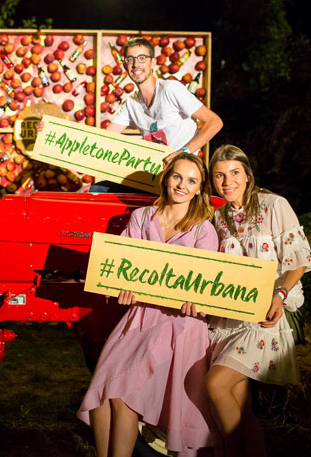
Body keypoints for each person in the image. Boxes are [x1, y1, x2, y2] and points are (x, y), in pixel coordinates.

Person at [77, 153, 219, 457]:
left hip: (178, 322)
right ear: (166, 178)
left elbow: (205, 283)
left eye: (191, 180)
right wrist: (122, 288)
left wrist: (197, 301)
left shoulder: (202, 229)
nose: (182, 185)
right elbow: (122, 265)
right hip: (140, 314)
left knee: (123, 395)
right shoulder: (141, 217)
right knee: (102, 393)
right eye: (177, 176)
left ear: (199, 189)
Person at [206, 144, 310, 457]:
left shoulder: (274, 205)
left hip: (265, 317)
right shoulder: (218, 217)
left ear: (248, 175)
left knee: (215, 385)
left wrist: (280, 295)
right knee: (241, 410)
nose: (227, 181)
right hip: (229, 319)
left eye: (234, 172)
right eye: (219, 175)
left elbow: (298, 261)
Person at [106, 37, 223, 165]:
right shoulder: (131, 104)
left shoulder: (170, 89)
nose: (135, 64)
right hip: (157, 171)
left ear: (153, 63)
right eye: (130, 59)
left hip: (183, 169)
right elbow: (106, 137)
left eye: (142, 58)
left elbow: (215, 122)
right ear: (125, 66)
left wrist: (184, 152)